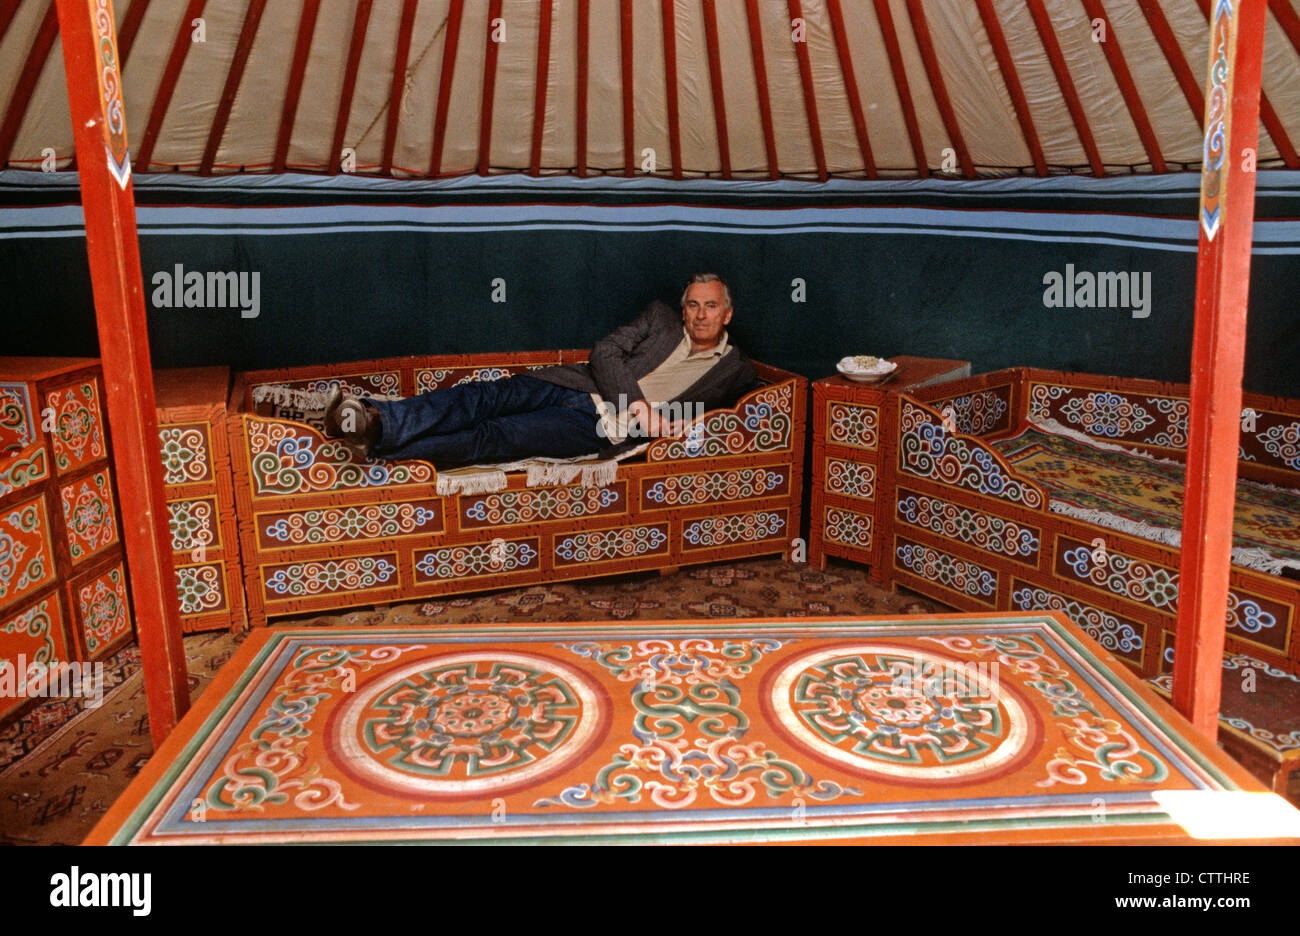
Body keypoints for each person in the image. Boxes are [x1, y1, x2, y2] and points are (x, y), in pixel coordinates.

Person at [323, 273, 764, 466]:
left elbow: (729, 419)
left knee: (496, 437)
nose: (700, 314)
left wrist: (668, 426)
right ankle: (379, 419)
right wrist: (640, 406)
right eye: (693, 304)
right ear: (683, 308)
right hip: (573, 384)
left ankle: (384, 451)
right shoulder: (659, 319)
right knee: (483, 396)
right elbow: (605, 353)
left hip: (597, 426)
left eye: (711, 306)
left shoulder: (736, 370)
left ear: (727, 315)